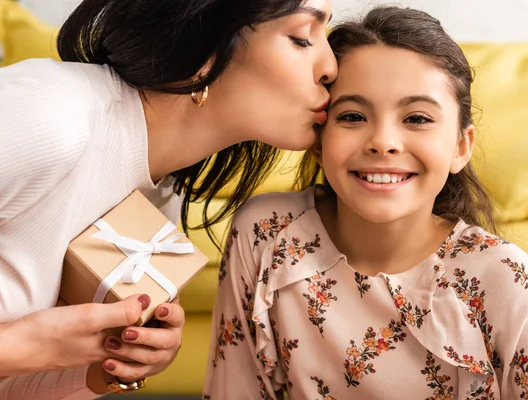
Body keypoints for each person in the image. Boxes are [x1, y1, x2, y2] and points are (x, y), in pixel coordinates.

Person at [203, 6, 528, 399]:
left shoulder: (502, 279)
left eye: (417, 118)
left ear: (461, 146)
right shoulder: (266, 233)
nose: (383, 141)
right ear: (319, 143)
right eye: (353, 116)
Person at [0, 0, 336, 397]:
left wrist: (106, 370)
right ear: (203, 45)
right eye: (301, 39)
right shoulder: (51, 117)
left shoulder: (153, 188)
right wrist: (17, 346)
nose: (330, 66)